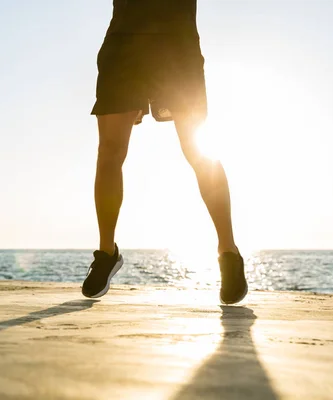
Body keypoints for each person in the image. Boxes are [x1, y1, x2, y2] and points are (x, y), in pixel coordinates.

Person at [82, 0, 247, 304]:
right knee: (110, 152)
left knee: (197, 149)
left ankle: (228, 252)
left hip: (177, 42)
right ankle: (107, 253)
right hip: (124, 43)